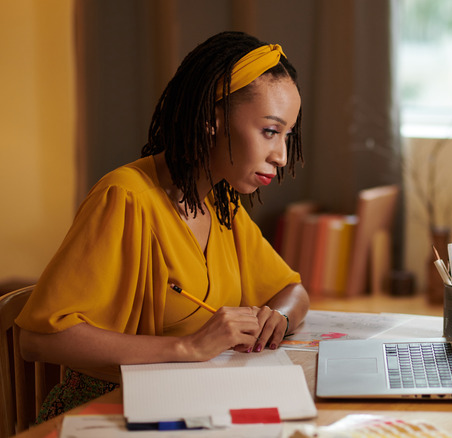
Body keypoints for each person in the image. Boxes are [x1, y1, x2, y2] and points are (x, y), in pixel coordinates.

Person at [15, 31, 309, 422]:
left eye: (287, 135)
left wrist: (281, 317)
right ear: (210, 120)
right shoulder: (125, 197)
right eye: (270, 132)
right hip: (107, 413)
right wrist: (188, 347)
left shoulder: (222, 207)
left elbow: (292, 290)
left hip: (187, 404)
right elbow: (38, 339)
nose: (282, 156)